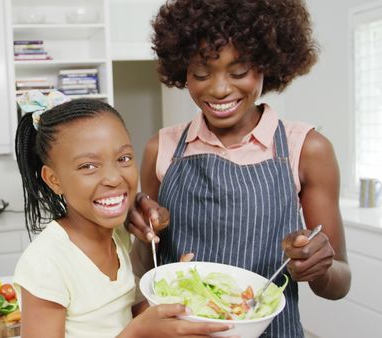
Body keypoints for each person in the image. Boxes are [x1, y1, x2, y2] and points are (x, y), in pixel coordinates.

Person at [127, 1, 352, 337]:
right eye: (201, 73)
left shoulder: (305, 148)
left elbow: (338, 284)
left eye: (239, 71)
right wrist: (146, 234)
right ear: (182, 71)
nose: (219, 89)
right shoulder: (162, 148)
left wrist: (316, 266)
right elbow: (145, 268)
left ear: (268, 66)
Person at [13, 92, 232, 338]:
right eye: (88, 166)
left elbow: (122, 315)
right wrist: (137, 333)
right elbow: (132, 330)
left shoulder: (117, 236)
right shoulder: (47, 263)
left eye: (123, 158)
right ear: (54, 180)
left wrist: (173, 293)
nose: (114, 178)